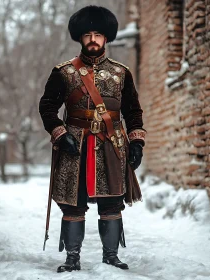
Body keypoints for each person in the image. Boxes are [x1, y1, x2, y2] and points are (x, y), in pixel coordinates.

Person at [39, 5, 146, 273]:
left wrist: (136, 141)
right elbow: (47, 108)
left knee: (112, 202)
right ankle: (72, 258)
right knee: (73, 203)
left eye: (98, 34)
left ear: (107, 37)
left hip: (112, 144)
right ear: (80, 38)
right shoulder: (63, 72)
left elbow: (133, 111)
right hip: (74, 144)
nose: (93, 39)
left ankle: (111, 256)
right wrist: (61, 135)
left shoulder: (122, 73)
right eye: (88, 35)